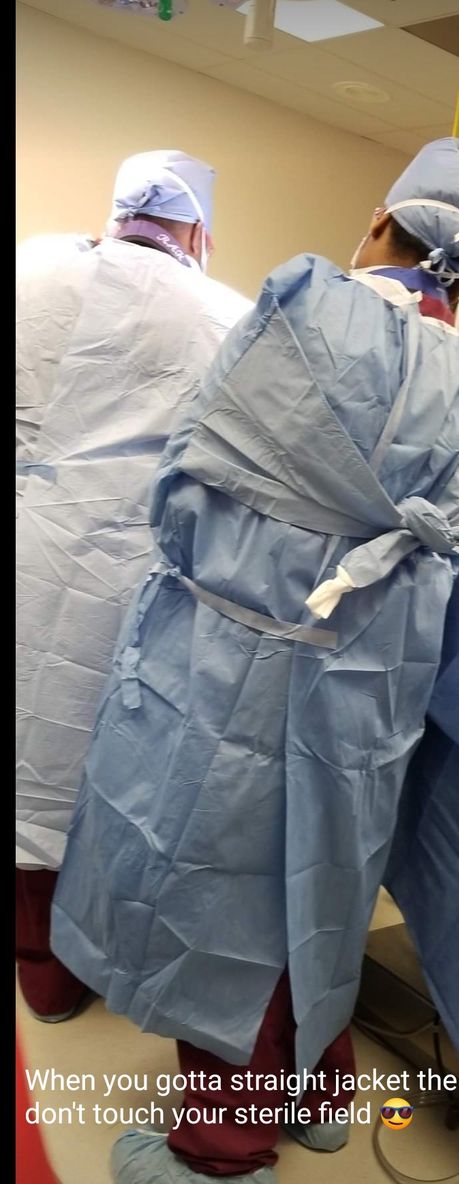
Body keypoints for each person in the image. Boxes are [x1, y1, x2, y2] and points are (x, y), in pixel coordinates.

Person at [51, 138, 459, 1183]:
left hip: (236, 652)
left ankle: (222, 1146)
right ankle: (313, 1088)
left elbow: (191, 472)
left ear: (379, 222)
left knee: (214, 889)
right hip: (368, 676)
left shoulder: (305, 305)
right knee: (320, 883)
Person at [16, 149, 254, 1024]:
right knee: (100, 779)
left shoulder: (31, 266)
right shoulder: (228, 316)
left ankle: (41, 976)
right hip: (125, 581)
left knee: (23, 771)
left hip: (23, 553)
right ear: (198, 229)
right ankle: (91, 960)